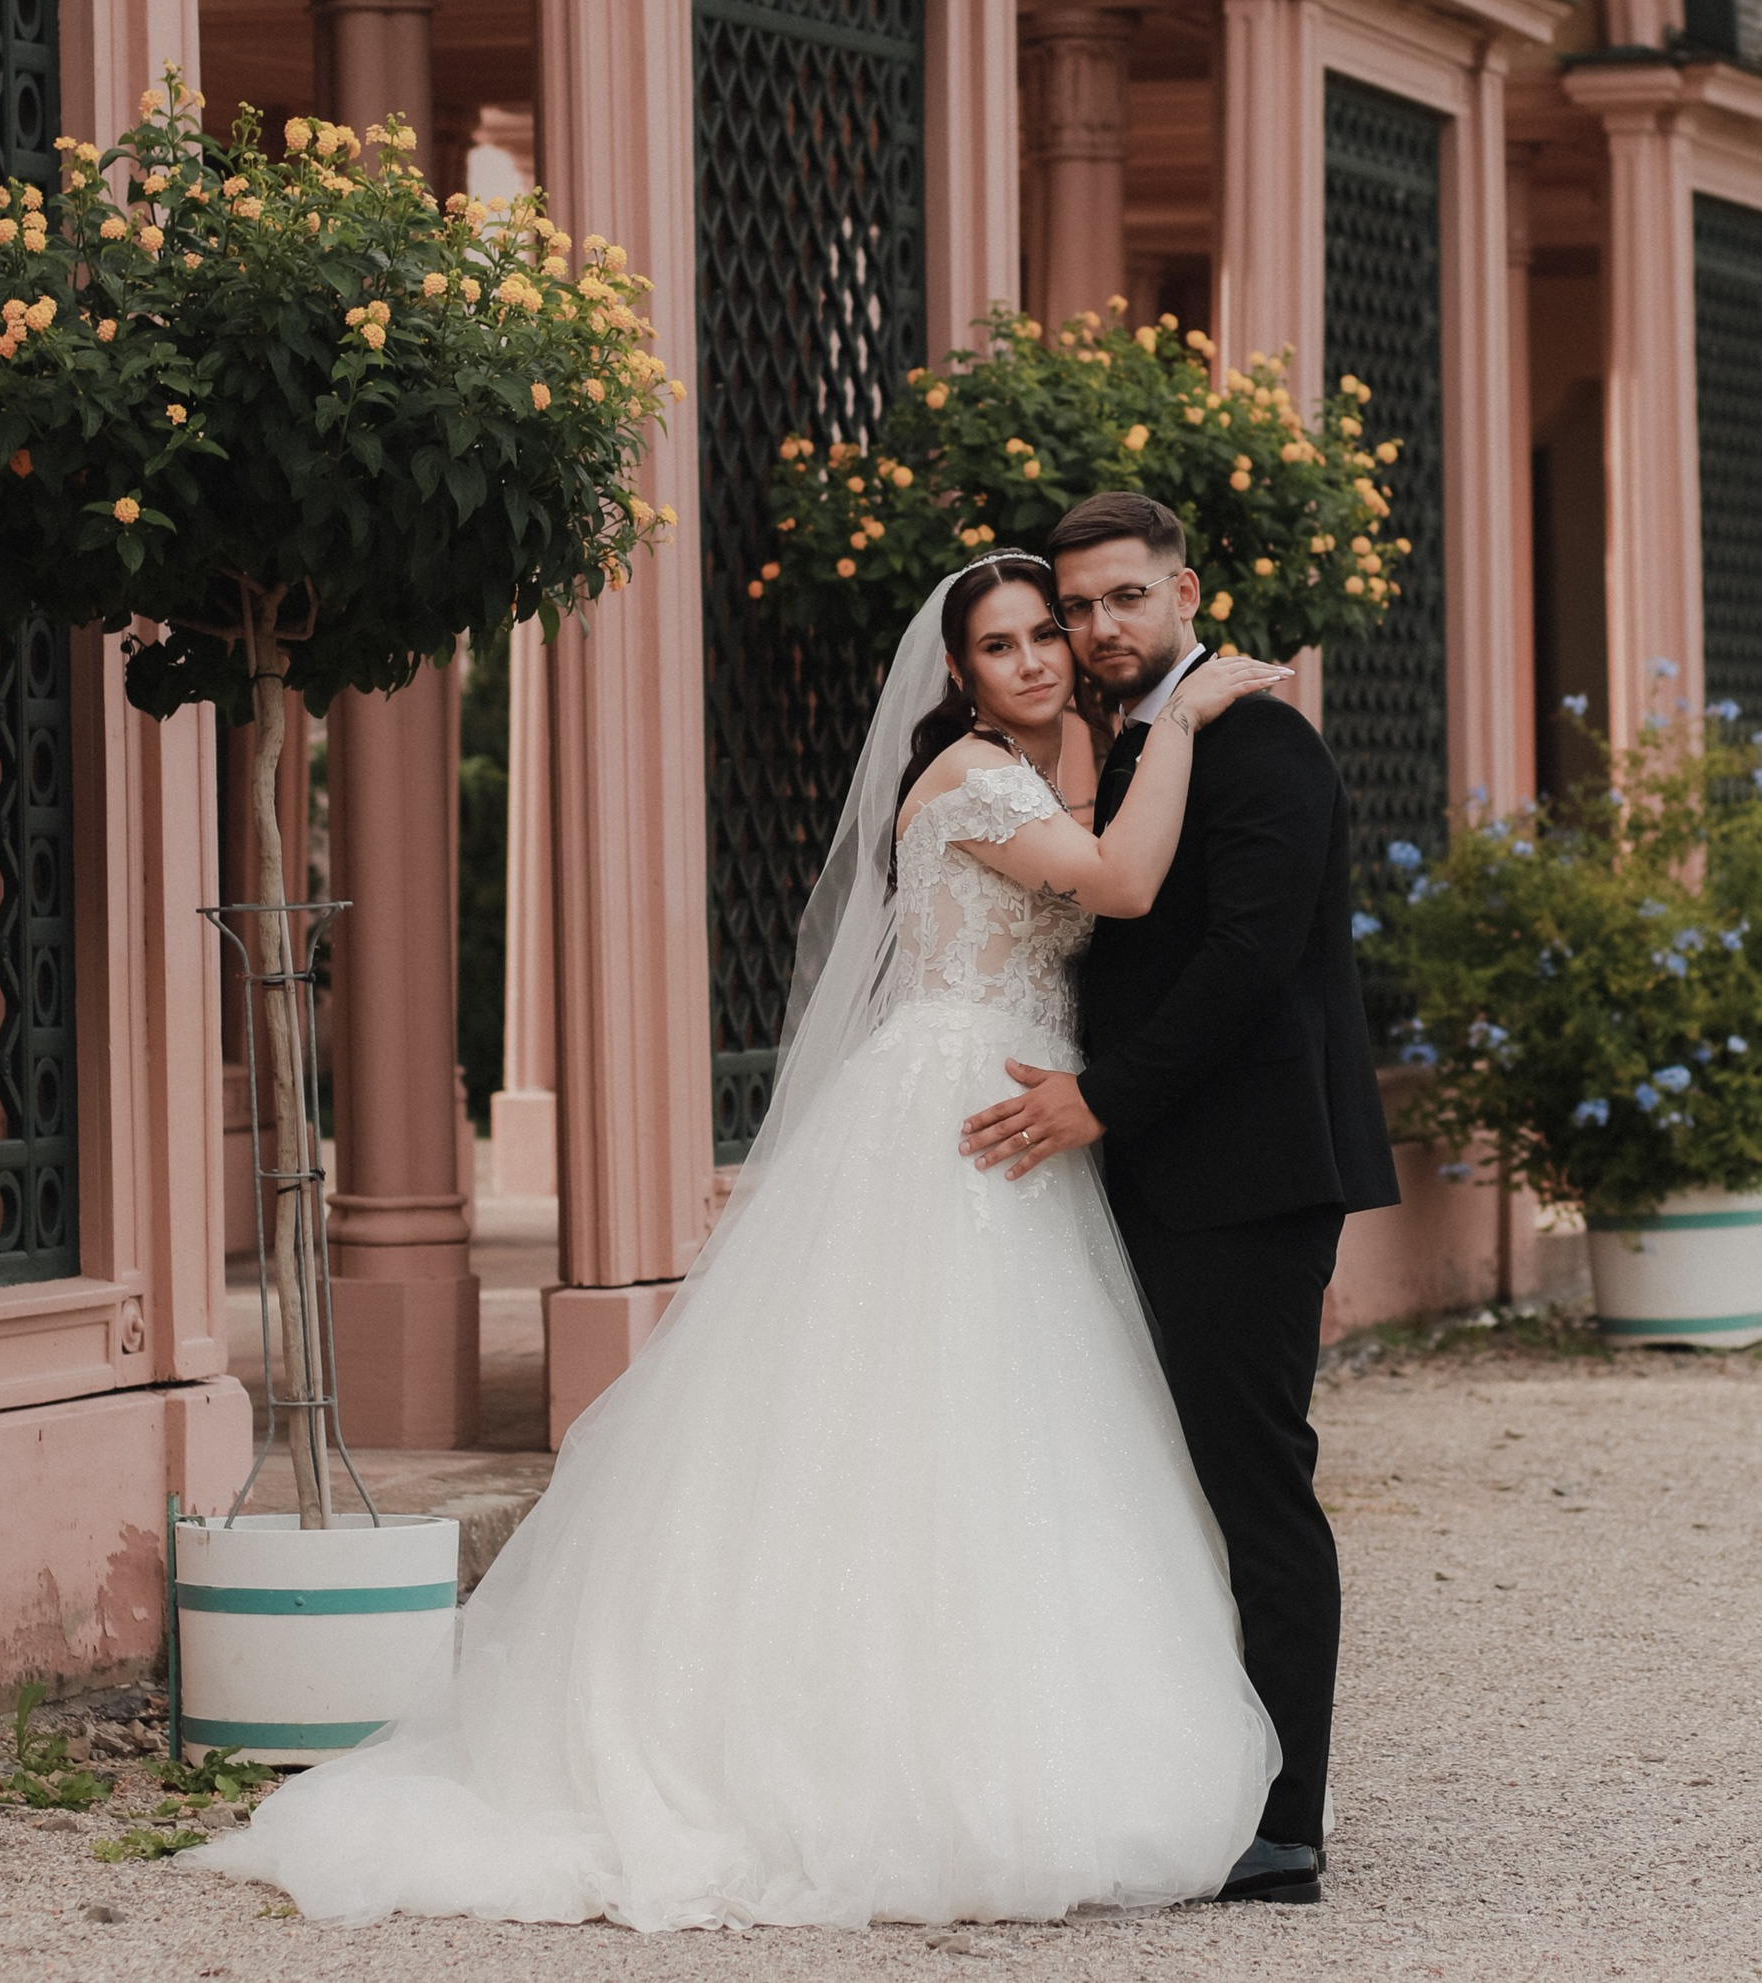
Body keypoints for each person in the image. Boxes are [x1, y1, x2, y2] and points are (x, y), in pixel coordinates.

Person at [190, 552, 1293, 1930]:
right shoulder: (972, 779)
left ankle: (1001, 1735)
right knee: (909, 1415)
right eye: (1001, 645)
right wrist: (1184, 716)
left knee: (1005, 1425)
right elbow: (1123, 888)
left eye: (1043, 637)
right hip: (957, 1111)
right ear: (959, 675)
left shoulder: (1036, 774)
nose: (1035, 660)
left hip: (1021, 1113)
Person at [959, 495, 1401, 1904]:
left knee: (1256, 1486)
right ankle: (1188, 1778)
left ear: (1186, 592)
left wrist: (1101, 1098)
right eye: (1077, 608)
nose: (1098, 630)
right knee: (1160, 1486)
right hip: (1150, 1172)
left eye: (1124, 598)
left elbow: (1249, 961)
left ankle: (1287, 1822)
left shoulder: (1263, 743)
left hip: (1249, 1174)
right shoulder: (1129, 745)